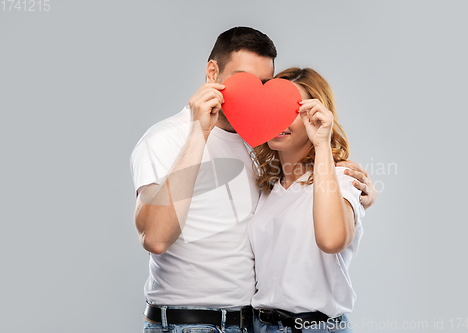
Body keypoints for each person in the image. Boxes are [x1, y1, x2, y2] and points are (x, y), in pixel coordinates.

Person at [130, 27, 376, 333]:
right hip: (189, 323)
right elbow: (153, 237)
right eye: (241, 79)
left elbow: (326, 230)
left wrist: (355, 190)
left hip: (252, 323)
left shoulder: (259, 149)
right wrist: (199, 134)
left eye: (263, 85)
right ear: (212, 72)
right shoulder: (164, 139)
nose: (253, 94)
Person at [249, 68, 363, 333]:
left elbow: (332, 240)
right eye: (274, 108)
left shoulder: (342, 178)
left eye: (293, 111)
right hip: (260, 326)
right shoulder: (266, 188)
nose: (280, 120)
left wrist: (322, 144)